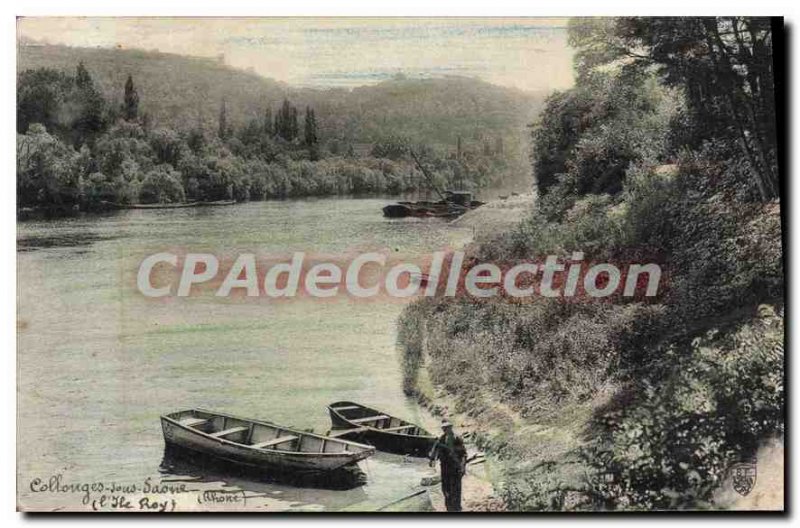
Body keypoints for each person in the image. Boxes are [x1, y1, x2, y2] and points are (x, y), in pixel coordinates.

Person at [428, 419, 467, 512]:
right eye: (444, 428)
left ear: (451, 428)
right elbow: (435, 449)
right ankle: (449, 506)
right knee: (445, 487)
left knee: (456, 487)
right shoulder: (441, 439)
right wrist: (432, 459)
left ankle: (456, 507)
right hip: (445, 467)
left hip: (456, 467)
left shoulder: (457, 439)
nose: (445, 430)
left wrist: (462, 466)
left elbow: (464, 454)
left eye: (447, 428)